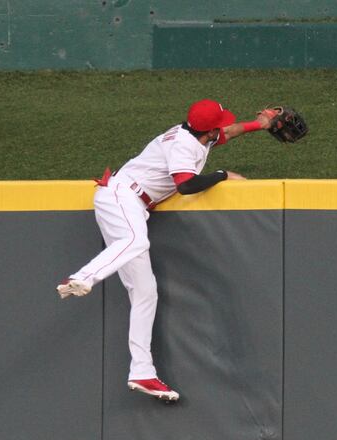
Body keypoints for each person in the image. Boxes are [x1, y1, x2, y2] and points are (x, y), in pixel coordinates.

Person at [57, 99, 277, 401]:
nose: (222, 128)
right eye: (218, 125)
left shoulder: (198, 134)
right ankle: (83, 278)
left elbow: (229, 131)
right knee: (137, 242)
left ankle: (142, 372)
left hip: (128, 201)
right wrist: (224, 175)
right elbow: (186, 185)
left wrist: (260, 125)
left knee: (145, 291)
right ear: (209, 130)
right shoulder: (184, 146)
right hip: (121, 198)